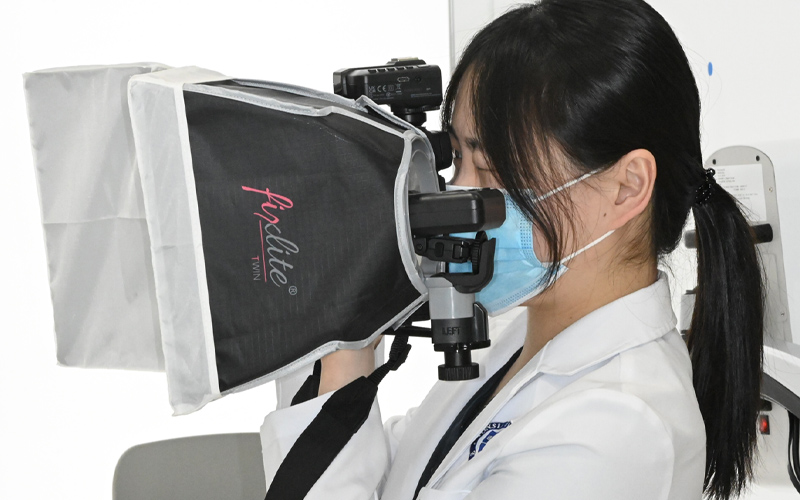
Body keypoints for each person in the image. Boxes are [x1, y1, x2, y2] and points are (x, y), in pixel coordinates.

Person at [260, 0, 764, 499]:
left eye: (492, 168)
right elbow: (397, 477)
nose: (459, 193)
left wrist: (343, 345)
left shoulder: (616, 429)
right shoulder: (519, 340)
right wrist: (341, 329)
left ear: (626, 187)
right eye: (457, 159)